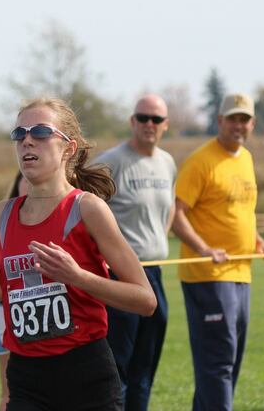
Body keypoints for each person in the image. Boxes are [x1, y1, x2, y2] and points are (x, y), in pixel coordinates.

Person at [0, 97, 157, 411]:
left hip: (85, 374)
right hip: (26, 377)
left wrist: (78, 277)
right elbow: (14, 281)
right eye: (19, 134)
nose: (27, 141)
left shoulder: (88, 209)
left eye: (41, 132)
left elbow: (145, 300)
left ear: (68, 147)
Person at [170, 93, 264, 411]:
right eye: (232, 118)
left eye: (245, 119)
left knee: (230, 359)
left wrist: (258, 241)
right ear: (220, 121)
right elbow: (176, 215)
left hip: (241, 272)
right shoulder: (200, 161)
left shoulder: (245, 158)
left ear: (253, 124)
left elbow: (239, 212)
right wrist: (205, 249)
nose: (239, 125)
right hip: (209, 274)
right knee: (218, 359)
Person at [93, 94, 176, 411]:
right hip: (122, 276)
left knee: (146, 366)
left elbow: (170, 207)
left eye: (156, 119)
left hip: (155, 272)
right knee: (119, 368)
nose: (149, 125)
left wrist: (157, 239)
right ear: (132, 121)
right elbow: (83, 208)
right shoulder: (111, 162)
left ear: (166, 124)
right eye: (143, 118)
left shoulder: (167, 163)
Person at [0, 172, 28, 411]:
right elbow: (0, 273)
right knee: (10, 392)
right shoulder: (1, 217)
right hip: (5, 308)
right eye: (25, 178)